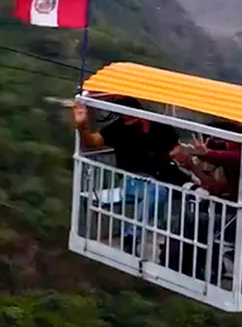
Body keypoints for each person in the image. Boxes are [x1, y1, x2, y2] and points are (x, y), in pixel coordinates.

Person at [73, 97, 189, 253]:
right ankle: (131, 235)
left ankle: (180, 240)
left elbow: (176, 149)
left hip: (162, 174)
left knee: (190, 193)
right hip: (133, 179)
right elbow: (93, 141)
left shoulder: (157, 125)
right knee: (157, 191)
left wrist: (182, 158)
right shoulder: (117, 128)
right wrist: (82, 126)